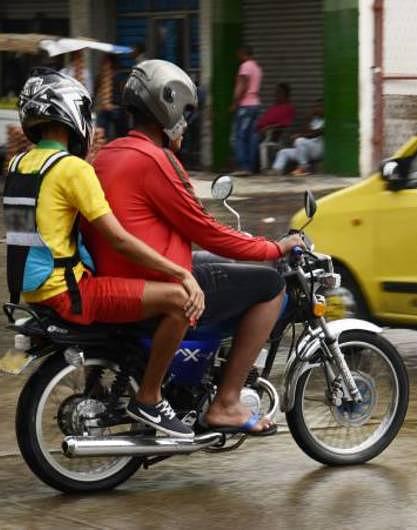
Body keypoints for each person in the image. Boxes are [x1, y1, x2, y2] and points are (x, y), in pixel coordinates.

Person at [85, 60, 304, 436]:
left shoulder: (107, 155)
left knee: (224, 265)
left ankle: (196, 375)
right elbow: (205, 229)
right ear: (166, 106)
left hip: (125, 270)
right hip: (153, 278)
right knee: (270, 285)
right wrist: (274, 248)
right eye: (184, 113)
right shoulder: (155, 160)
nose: (184, 122)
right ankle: (227, 402)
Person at [4, 68, 204, 439]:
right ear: (71, 113)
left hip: (33, 294)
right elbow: (119, 239)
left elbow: (35, 232)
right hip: (68, 293)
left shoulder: (19, 166)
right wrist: (181, 273)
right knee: (179, 301)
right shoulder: (72, 169)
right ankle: (150, 398)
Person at [231, 45, 263, 175]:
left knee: (239, 137)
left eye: (239, 53)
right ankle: (250, 167)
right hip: (256, 105)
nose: (238, 55)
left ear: (243, 53)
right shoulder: (257, 67)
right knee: (252, 137)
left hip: (246, 106)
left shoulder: (245, 66)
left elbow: (242, 85)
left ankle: (243, 167)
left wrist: (235, 102)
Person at [271, 99, 324, 176]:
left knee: (299, 140)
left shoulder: (329, 120)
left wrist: (300, 136)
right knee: (283, 152)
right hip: (307, 150)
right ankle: (276, 170)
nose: (316, 109)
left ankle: (304, 167)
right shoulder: (315, 119)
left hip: (319, 149)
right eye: (315, 107)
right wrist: (308, 117)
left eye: (319, 107)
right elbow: (306, 131)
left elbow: (316, 133)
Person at [255, 82, 295, 171]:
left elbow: (285, 124)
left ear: (285, 94)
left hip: (273, 135)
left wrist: (269, 128)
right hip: (261, 132)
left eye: (279, 92)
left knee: (254, 141)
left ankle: (261, 168)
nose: (276, 95)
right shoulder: (274, 107)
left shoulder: (288, 108)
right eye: (276, 92)